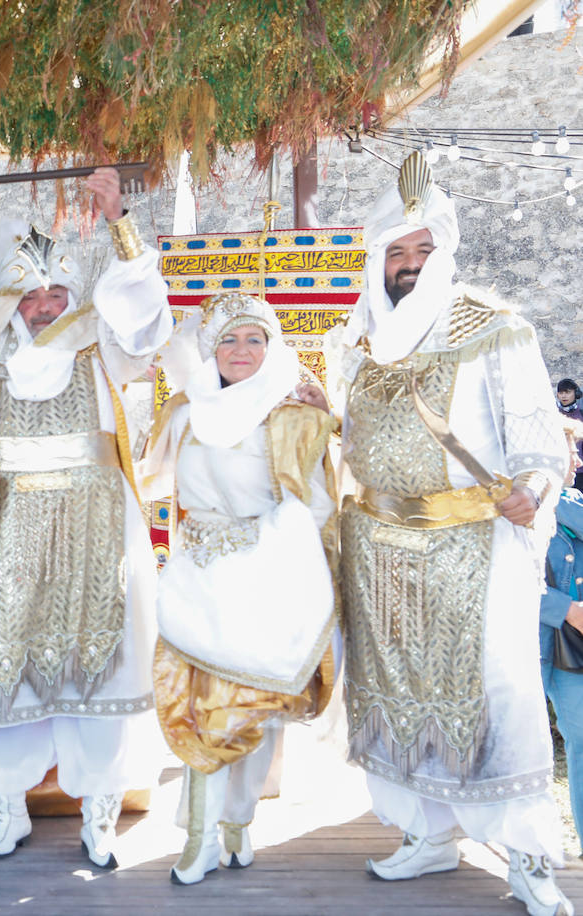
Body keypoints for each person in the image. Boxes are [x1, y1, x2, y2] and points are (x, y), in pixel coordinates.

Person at [325, 150, 572, 916]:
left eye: (421, 249)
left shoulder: (496, 327)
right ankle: (429, 837)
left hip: (476, 545)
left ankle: (530, 858)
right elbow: (351, 435)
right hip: (380, 550)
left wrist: (533, 491)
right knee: (396, 694)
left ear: (445, 251)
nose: (407, 264)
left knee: (498, 698)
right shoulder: (354, 340)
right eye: (394, 251)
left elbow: (538, 442)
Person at [0, 169, 170, 867]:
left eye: (57, 292)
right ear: (11, 297)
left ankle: (103, 811)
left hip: (94, 531)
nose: (46, 305)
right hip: (4, 536)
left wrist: (118, 218)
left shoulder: (99, 343)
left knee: (101, 666)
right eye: (31, 294)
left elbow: (145, 317)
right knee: (0, 665)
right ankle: (4, 808)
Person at [140, 293, 339, 883]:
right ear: (212, 349)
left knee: (246, 710)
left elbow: (320, 505)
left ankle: (235, 824)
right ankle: (201, 836)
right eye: (228, 339)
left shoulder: (295, 415)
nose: (241, 351)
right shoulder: (185, 411)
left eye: (254, 338)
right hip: (196, 575)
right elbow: (150, 478)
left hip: (262, 575)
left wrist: (273, 552)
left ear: (273, 345)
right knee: (195, 707)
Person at [540, 426, 583, 864]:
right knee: (521, 749)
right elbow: (503, 576)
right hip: (524, 645)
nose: (579, 460)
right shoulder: (505, 505)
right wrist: (564, 608)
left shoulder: (573, 506)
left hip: (574, 653)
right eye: (571, 450)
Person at [558, 380, 583, 489]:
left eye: (567, 392)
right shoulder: (554, 414)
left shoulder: (581, 415)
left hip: (580, 472)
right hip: (561, 472)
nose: (564, 396)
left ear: (576, 394)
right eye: (561, 393)